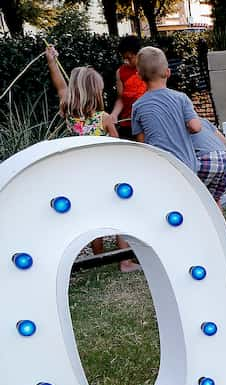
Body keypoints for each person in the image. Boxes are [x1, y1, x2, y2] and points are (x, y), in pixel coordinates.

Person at [45, 46, 139, 272]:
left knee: (93, 215)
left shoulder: (68, 113)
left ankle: (99, 259)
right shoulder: (105, 118)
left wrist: (52, 62)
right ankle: (124, 261)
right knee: (119, 212)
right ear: (95, 92)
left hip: (81, 173)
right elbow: (117, 146)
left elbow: (60, 85)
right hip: (107, 172)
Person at [131, 46, 202, 173]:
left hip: (160, 168)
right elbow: (196, 127)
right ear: (168, 72)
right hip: (187, 165)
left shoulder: (137, 106)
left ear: (139, 76)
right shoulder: (181, 98)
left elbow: (142, 143)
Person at [111, 35, 146, 140]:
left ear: (138, 54)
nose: (126, 61)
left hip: (146, 121)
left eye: (129, 58)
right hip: (127, 123)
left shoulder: (147, 69)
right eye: (124, 58)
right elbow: (121, 98)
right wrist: (114, 114)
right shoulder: (120, 72)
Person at [191, 117, 226, 206]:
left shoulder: (179, 125)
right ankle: (219, 220)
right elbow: (225, 142)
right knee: (215, 200)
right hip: (225, 158)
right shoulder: (203, 121)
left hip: (205, 159)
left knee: (194, 195)